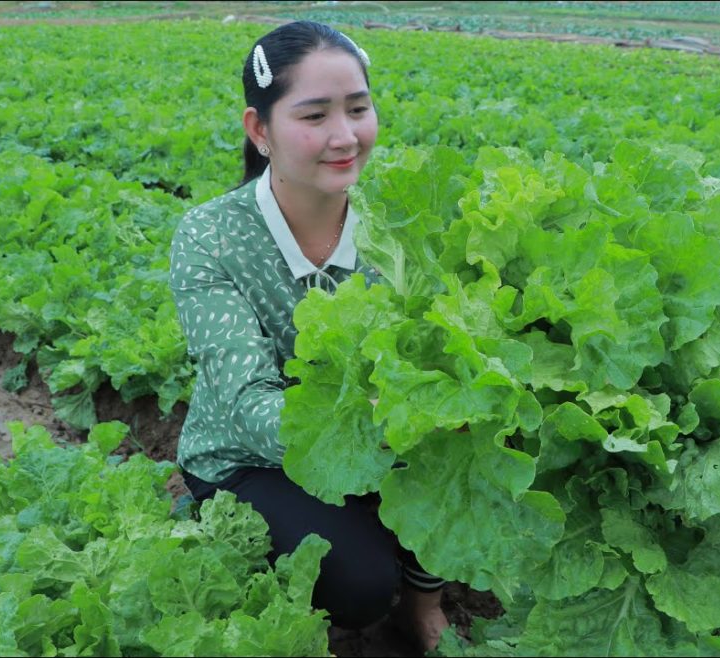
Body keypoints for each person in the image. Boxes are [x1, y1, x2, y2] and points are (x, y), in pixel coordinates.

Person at [168, 20, 448, 652]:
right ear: (259, 129)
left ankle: (425, 601)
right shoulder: (211, 236)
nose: (344, 136)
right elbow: (246, 403)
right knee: (362, 585)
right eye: (315, 115)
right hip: (248, 457)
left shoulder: (396, 226)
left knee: (470, 456)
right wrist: (375, 425)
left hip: (377, 441)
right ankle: (224, 526)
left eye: (358, 109)